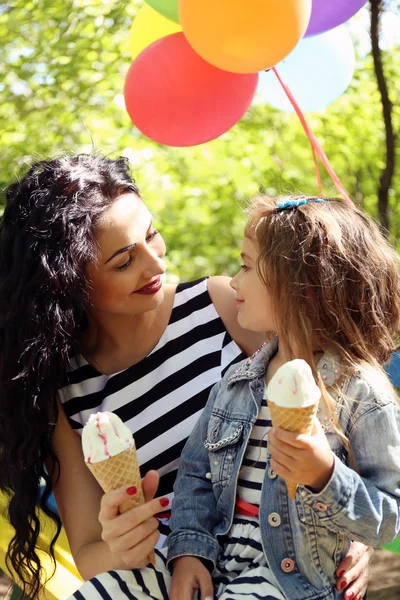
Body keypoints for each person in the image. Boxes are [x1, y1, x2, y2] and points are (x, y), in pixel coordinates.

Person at [0, 155, 371, 600]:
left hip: (282, 563)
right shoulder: (63, 393)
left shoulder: (220, 306)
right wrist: (122, 542)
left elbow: (338, 416)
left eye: (151, 235)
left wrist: (356, 532)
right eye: (123, 262)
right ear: (66, 281)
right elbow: (89, 554)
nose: (155, 265)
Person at [71, 194, 400, 600]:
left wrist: (325, 477)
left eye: (246, 267)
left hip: (289, 575)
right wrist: (188, 552)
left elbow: (388, 516)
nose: (234, 280)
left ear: (305, 290)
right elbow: (196, 476)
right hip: (217, 560)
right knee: (108, 589)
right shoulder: (236, 382)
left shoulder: (361, 394)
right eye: (123, 261)